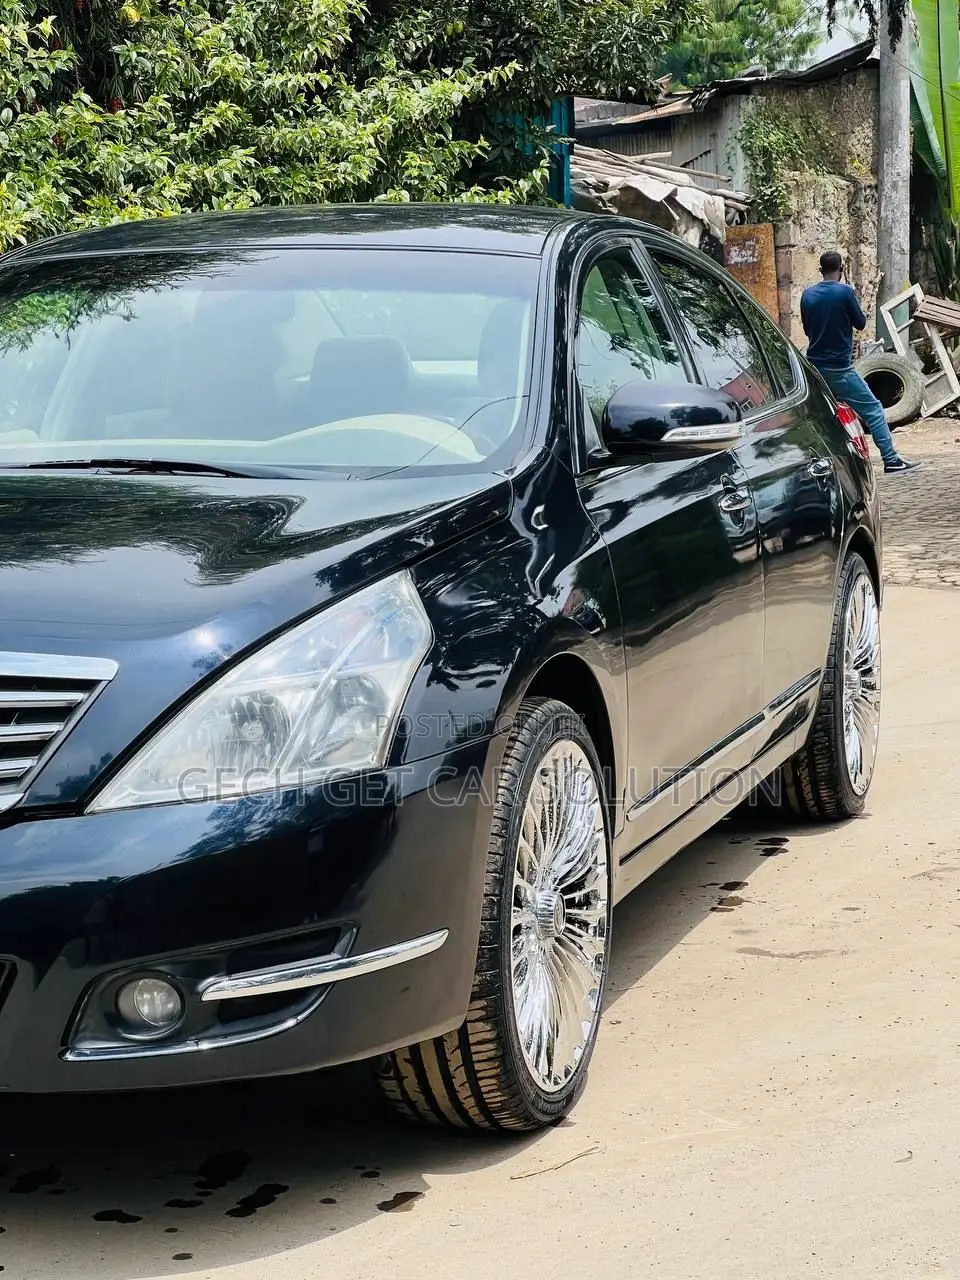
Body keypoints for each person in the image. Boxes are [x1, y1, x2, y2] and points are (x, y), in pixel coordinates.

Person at [801, 252, 920, 475]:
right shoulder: (844, 292)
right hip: (839, 369)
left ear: (820, 270)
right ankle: (891, 460)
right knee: (874, 410)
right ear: (842, 268)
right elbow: (861, 323)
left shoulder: (807, 294)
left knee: (826, 416)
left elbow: (808, 330)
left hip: (814, 369)